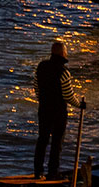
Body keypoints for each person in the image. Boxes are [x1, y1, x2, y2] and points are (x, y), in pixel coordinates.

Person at [33, 39, 82, 178]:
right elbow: (68, 95)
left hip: (43, 109)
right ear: (62, 53)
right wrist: (80, 105)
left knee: (42, 140)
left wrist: (43, 100)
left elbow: (36, 88)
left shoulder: (41, 66)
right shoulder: (64, 72)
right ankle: (52, 173)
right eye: (66, 51)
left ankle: (38, 171)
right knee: (56, 143)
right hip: (58, 112)